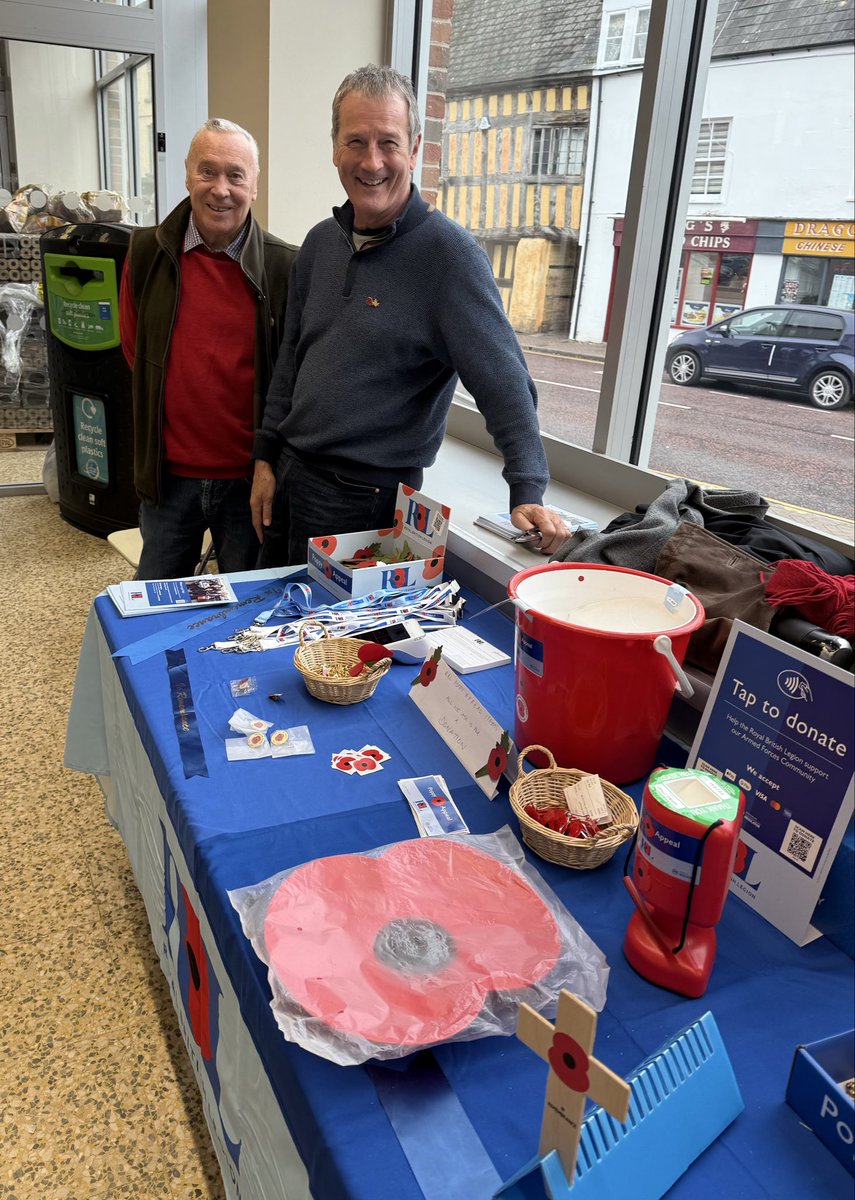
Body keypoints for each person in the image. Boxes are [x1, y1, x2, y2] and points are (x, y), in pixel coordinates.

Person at [250, 65, 568, 567]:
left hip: (364, 501)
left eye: (388, 143)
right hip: (290, 474)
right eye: (355, 141)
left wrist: (527, 485)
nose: (371, 161)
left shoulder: (449, 259)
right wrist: (265, 456)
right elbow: (291, 355)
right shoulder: (318, 244)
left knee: (334, 645)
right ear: (334, 148)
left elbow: (504, 380)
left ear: (415, 149)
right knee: (274, 627)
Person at [120, 117, 298, 580]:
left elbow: (291, 380)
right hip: (167, 476)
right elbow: (136, 354)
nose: (221, 189)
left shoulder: (285, 267)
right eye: (208, 171)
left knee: (245, 611)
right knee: (155, 606)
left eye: (236, 175)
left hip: (249, 481)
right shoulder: (145, 254)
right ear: (186, 176)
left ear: (254, 185)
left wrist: (269, 464)